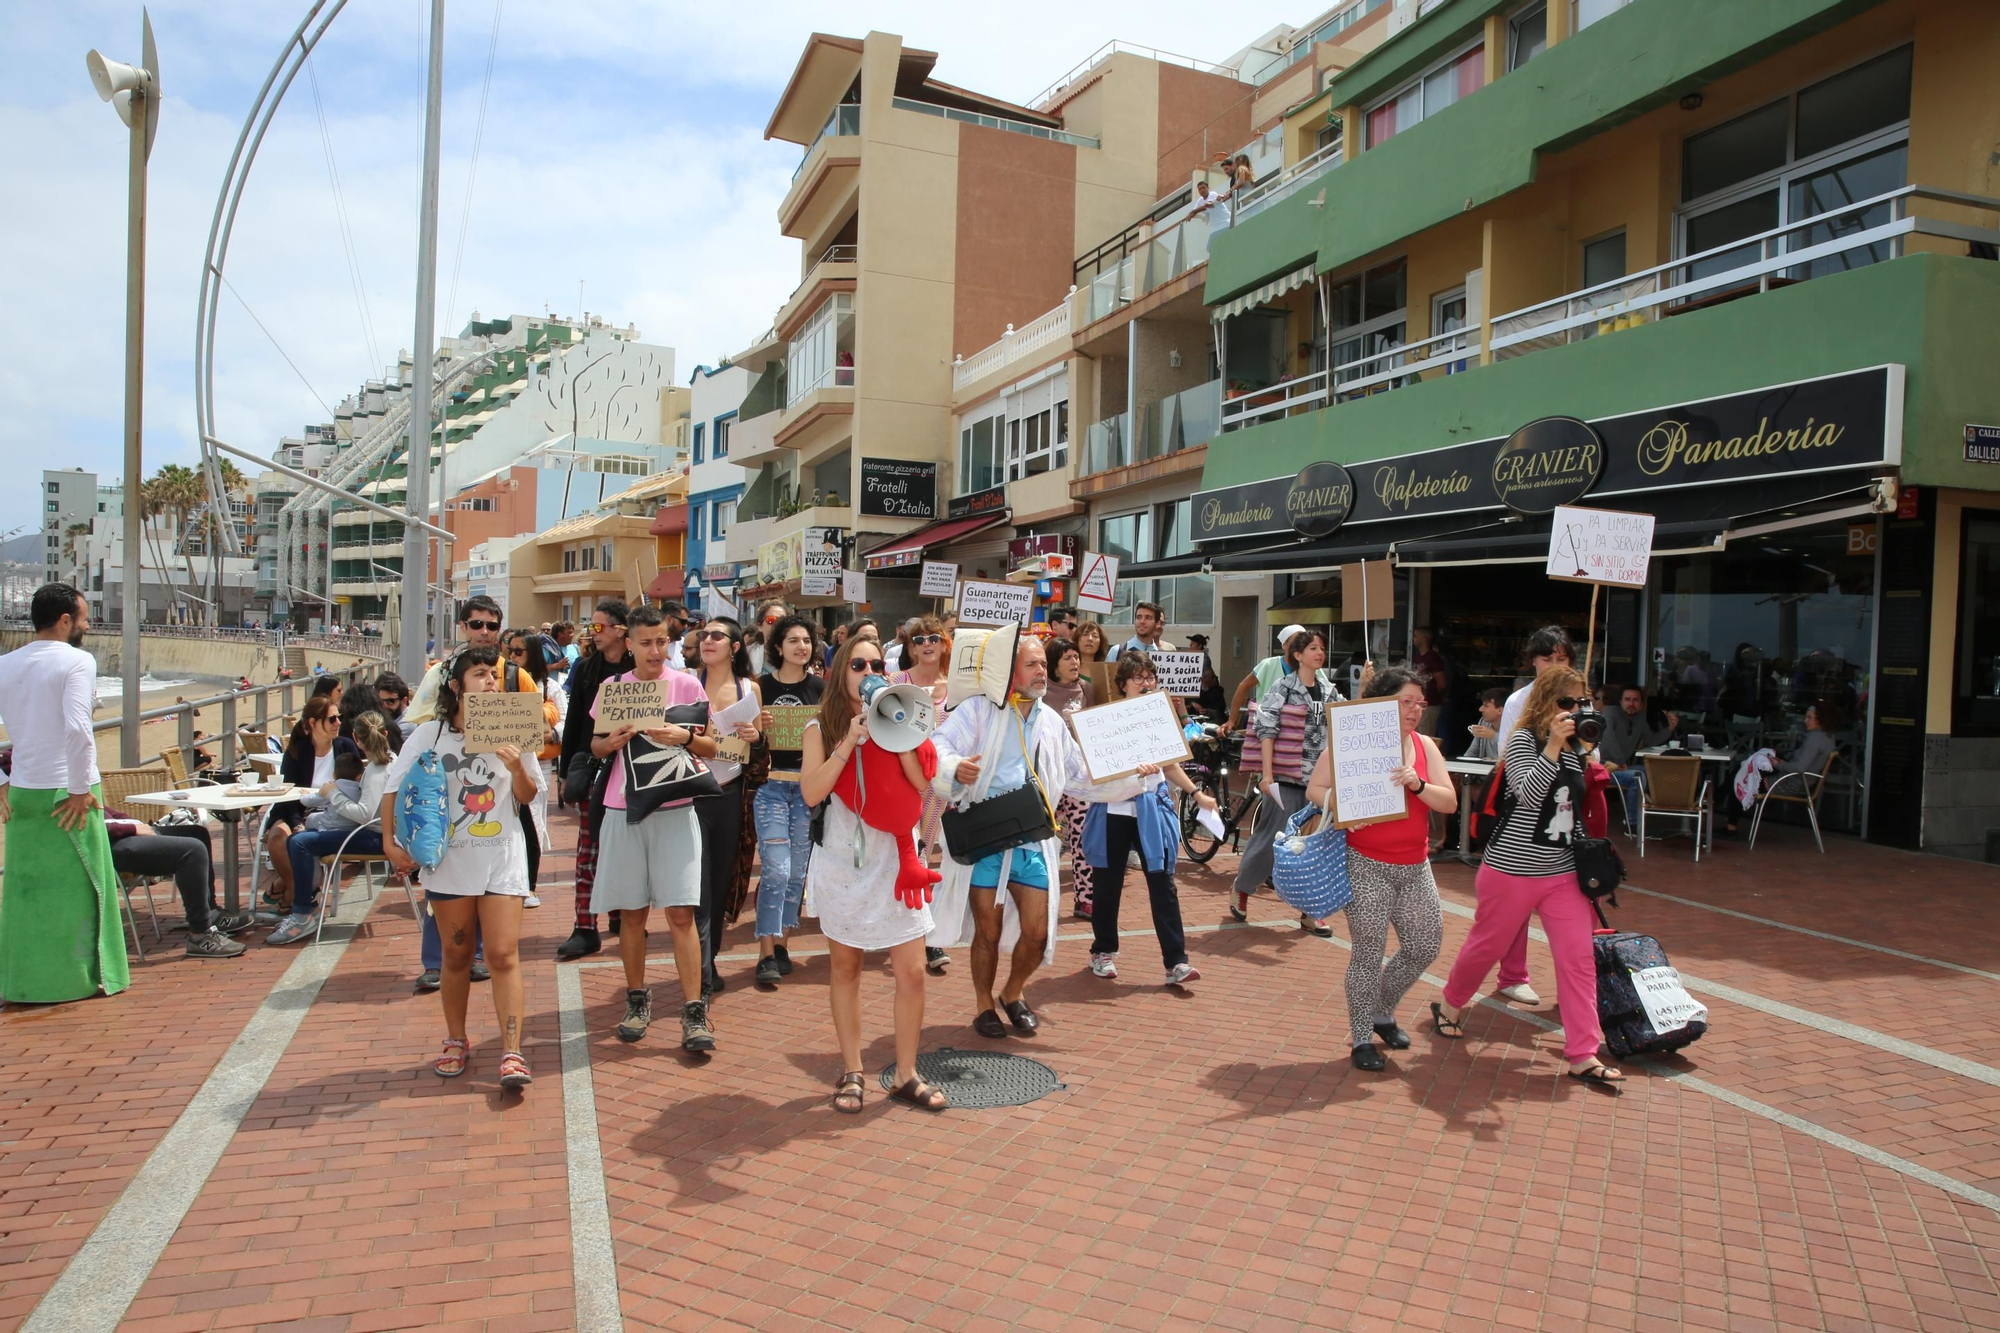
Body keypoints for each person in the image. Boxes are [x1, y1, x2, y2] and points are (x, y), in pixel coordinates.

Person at [929, 635, 1144, 1038]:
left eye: (1043, 665)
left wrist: (1134, 777)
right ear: (1009, 672)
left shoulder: (1051, 722)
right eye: (1032, 665)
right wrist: (956, 767)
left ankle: (1013, 992)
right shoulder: (978, 710)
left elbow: (1080, 777)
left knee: (1037, 932)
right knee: (987, 932)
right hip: (984, 837)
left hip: (1031, 838)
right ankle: (982, 1006)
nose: (1042, 672)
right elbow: (938, 745)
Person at [1431, 666, 1626, 1093]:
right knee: (1488, 947)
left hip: (1561, 873)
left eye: (1581, 703)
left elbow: (1574, 806)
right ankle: (1450, 1002)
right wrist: (1554, 746)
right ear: (1546, 703)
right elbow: (1528, 793)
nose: (1575, 711)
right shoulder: (1521, 739)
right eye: (1566, 702)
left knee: (1577, 960)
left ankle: (1583, 1054)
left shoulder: (1580, 745)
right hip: (1512, 870)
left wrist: (1586, 758)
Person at [798, 633, 948, 1114]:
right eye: (858, 666)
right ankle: (853, 1070)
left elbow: (924, 785)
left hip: (896, 861)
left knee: (913, 971)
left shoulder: (900, 717)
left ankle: (906, 1073)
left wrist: (899, 734)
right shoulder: (819, 729)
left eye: (875, 666)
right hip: (846, 861)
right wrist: (849, 742)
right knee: (846, 968)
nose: (868, 674)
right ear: (840, 672)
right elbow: (811, 793)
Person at [381, 647, 543, 1090]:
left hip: (502, 858)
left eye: (494, 673)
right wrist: (388, 843)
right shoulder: (428, 734)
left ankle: (512, 1051)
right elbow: (393, 788)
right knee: (455, 955)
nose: (491, 681)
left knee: (503, 955)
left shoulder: (514, 723)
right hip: (449, 861)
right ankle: (455, 1039)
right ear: (456, 686)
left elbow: (528, 796)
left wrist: (515, 765)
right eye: (479, 674)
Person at [1307, 666, 1452, 1071]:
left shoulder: (1425, 746)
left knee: (1425, 945)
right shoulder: (1353, 742)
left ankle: (1381, 1010)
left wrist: (1418, 785)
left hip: (1415, 864)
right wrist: (1339, 808)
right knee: (1369, 952)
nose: (1414, 710)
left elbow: (1449, 802)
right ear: (1383, 702)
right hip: (1365, 862)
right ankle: (1360, 1038)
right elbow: (1315, 788)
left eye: (1420, 704)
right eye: (1406, 702)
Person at [588, 606, 719, 1051]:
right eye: (645, 642)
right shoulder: (612, 687)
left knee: (681, 912)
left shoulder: (687, 683)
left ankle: (694, 1010)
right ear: (628, 644)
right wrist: (613, 741)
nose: (655, 650)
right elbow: (596, 745)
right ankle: (637, 1000)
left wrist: (681, 737)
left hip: (676, 805)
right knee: (632, 912)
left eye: (662, 641)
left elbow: (713, 746)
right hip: (623, 808)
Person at [0, 585, 130, 1000]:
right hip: (68, 790)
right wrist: (77, 789)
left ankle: (24, 984)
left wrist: (1, 784)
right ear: (64, 621)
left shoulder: (5, 664)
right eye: (84, 618)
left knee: (26, 892)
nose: (88, 625)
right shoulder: (77, 660)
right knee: (86, 892)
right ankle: (84, 980)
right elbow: (78, 727)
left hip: (23, 790)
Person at [1084, 651, 1214, 988]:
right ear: (1123, 684)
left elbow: (1170, 764)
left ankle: (1177, 961)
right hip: (1114, 811)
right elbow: (1097, 769)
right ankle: (1103, 950)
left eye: (1150, 677)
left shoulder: (1160, 715)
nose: (1146, 683)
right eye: (1139, 678)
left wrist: (1196, 794)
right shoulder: (1107, 719)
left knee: (1163, 884)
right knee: (1108, 884)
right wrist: (1126, 773)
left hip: (1151, 813)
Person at [1483, 625, 1577, 1006]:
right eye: (1546, 658)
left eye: (1561, 658)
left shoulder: (1578, 699)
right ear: (1533, 662)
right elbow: (1508, 757)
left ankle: (1578, 980)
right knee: (1516, 904)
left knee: (1574, 905)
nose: (1554, 665)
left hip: (1569, 816)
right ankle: (1512, 974)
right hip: (1525, 818)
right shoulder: (1520, 701)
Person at [1232, 628, 1347, 934]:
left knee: (1316, 845)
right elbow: (1266, 731)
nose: (1319, 653)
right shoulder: (1282, 688)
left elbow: (1349, 719)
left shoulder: (1330, 690)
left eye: (1322, 648)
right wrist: (1267, 776)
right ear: (1298, 655)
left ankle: (1311, 911)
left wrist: (1366, 685)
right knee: (1272, 840)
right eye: (1313, 648)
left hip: (1319, 784)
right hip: (1286, 779)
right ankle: (1242, 889)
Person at [268, 712, 393, 945]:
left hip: (378, 837)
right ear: (385, 733)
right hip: (383, 834)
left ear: (356, 739)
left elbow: (364, 814)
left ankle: (303, 914)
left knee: (300, 842)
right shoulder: (386, 764)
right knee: (306, 837)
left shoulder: (377, 771)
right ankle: (306, 908)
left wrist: (332, 794)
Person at [556, 598, 634, 959]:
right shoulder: (586, 669)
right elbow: (573, 725)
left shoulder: (643, 670)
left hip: (636, 772)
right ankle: (585, 926)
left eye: (600, 627)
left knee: (628, 848)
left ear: (622, 630)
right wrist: (564, 771)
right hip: (594, 770)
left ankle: (623, 913)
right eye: (592, 627)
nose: (593, 633)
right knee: (589, 850)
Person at [692, 617, 760, 1000]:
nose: (707, 641)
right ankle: (700, 964)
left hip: (730, 794)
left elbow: (756, 747)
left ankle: (710, 957)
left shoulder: (748, 688)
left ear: (735, 647)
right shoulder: (685, 683)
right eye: (703, 635)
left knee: (719, 882)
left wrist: (755, 735)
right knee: (694, 884)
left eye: (716, 636)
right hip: (690, 794)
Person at [753, 615, 822, 987]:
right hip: (771, 788)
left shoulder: (821, 689)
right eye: (793, 640)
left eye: (807, 640)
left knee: (797, 872)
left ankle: (782, 944)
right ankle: (765, 951)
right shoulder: (759, 688)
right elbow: (744, 740)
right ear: (778, 647)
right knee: (776, 870)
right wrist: (756, 727)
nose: (801, 646)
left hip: (807, 789)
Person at [262, 697, 359, 915]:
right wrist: (296, 824)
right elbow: (288, 794)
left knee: (304, 842)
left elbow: (357, 786)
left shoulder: (345, 746)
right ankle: (299, 891)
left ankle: (288, 892)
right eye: (332, 718)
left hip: (333, 814)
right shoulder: (298, 750)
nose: (338, 723)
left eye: (339, 718)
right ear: (313, 722)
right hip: (296, 810)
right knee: (278, 839)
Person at [104, 812, 251, 956]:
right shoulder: (80, 790)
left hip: (119, 833)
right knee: (192, 850)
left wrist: (135, 824)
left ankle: (210, 913)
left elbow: (105, 811)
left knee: (197, 833)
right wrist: (133, 829)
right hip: (104, 845)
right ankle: (200, 935)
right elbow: (89, 828)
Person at [1041, 636, 1097, 922]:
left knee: (1083, 837)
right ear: (1053, 664)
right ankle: (1038, 899)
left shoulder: (1086, 689)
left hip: (1078, 778)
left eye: (1076, 657)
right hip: (1046, 778)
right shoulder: (1040, 690)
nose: (1075, 662)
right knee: (1045, 838)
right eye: (1067, 658)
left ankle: (1085, 899)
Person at [1724, 699, 1841, 834]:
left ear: (1821, 719)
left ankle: (1728, 823)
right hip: (1801, 782)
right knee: (1744, 770)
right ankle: (1720, 807)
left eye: (1809, 717)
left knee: (1741, 778)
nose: (1805, 720)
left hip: (1789, 783)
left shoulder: (1815, 740)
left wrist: (1779, 764)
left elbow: (1799, 768)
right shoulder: (1827, 737)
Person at [1599, 685, 1678, 835]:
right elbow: (1608, 738)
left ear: (1641, 704)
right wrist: (1620, 761)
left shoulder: (1640, 719)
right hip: (1603, 768)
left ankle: (1658, 817)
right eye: (1627, 699)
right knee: (1637, 777)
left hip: (1622, 767)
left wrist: (1670, 728)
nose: (1631, 703)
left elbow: (1651, 740)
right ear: (1621, 702)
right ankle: (1632, 824)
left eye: (1635, 700)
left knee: (1653, 772)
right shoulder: (1610, 713)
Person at [1224, 624, 1309, 735]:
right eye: (1295, 641)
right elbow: (1243, 687)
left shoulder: (1310, 667)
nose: (1299, 646)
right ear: (1284, 645)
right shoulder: (1268, 665)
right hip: (1266, 727)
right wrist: (1232, 720)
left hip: (1299, 729)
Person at [1463, 688, 1509, 761]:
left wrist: (1493, 735)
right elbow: (1472, 751)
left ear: (1500, 710)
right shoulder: (1483, 722)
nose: (1480, 709)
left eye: (1486, 706)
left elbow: (1513, 750)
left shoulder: (1512, 726)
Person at [373, 672, 414, 741]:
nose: (384, 706)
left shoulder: (407, 725)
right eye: (380, 701)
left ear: (404, 701)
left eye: (390, 701)